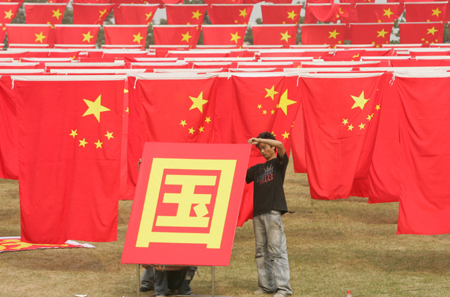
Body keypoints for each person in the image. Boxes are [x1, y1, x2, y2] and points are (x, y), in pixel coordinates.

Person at [246, 132, 293, 297]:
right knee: (261, 252)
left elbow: (281, 144)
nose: (262, 151)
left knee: (276, 250)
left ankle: (283, 289)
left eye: (264, 147)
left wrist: (258, 140)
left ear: (271, 146)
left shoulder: (279, 163)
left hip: (273, 212)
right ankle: (266, 286)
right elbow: (239, 174)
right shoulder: (257, 169)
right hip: (258, 214)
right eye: (259, 149)